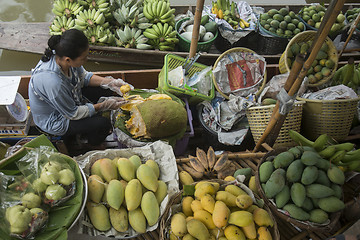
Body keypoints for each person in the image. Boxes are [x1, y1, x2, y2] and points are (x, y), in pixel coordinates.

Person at [28, 29, 127, 149]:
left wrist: (110, 82)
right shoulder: (53, 82)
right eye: (84, 58)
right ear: (68, 60)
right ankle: (91, 144)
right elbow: (73, 113)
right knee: (103, 124)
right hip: (57, 118)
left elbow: (83, 77)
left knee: (105, 89)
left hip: (68, 98)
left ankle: (91, 120)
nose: (86, 60)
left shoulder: (63, 56)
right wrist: (103, 106)